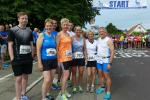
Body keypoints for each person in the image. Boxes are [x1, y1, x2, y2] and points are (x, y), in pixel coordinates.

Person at [8, 12, 34, 100]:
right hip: (17, 59)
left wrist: (32, 55)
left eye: (26, 18)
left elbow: (31, 43)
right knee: (18, 79)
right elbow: (10, 45)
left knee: (25, 77)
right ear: (18, 19)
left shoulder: (29, 30)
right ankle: (18, 97)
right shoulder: (13, 30)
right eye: (22, 18)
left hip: (27, 58)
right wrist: (12, 58)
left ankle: (23, 94)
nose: (24, 20)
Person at [37, 18, 57, 100]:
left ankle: (48, 93)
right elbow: (38, 50)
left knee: (51, 79)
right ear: (45, 26)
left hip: (53, 60)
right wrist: (39, 63)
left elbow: (56, 48)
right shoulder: (42, 35)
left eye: (50, 26)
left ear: (53, 27)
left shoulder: (53, 36)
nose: (49, 27)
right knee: (47, 79)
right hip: (45, 60)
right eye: (47, 26)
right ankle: (43, 97)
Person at [96, 27, 115, 100]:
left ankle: (108, 92)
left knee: (107, 76)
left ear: (105, 32)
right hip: (99, 60)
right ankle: (102, 87)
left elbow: (113, 52)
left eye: (102, 31)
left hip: (106, 61)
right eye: (100, 31)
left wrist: (110, 63)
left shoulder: (109, 40)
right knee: (100, 75)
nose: (101, 33)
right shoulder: (98, 39)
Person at [56, 18, 72, 100]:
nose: (66, 26)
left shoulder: (68, 34)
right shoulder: (59, 34)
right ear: (61, 25)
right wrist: (58, 59)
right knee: (65, 75)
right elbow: (56, 47)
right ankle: (62, 93)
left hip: (69, 57)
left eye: (67, 24)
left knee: (66, 75)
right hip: (63, 58)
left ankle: (65, 91)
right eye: (64, 25)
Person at [71, 26, 86, 94]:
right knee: (74, 73)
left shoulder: (83, 39)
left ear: (81, 31)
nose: (78, 31)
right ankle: (74, 86)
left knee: (81, 72)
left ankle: (79, 85)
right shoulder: (72, 38)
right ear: (75, 31)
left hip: (81, 57)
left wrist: (86, 57)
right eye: (77, 30)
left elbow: (84, 49)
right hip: (73, 58)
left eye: (79, 30)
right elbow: (69, 48)